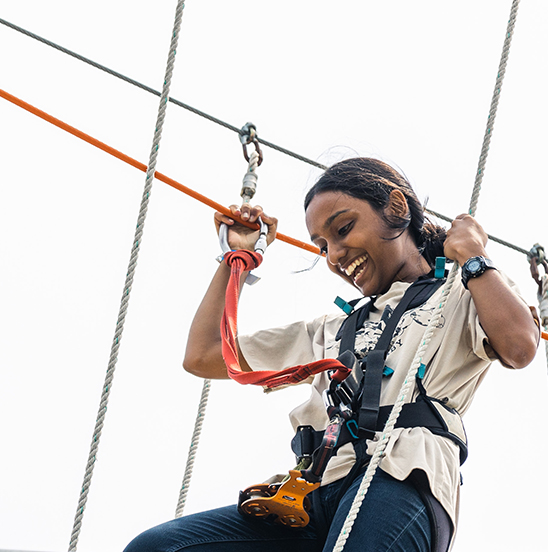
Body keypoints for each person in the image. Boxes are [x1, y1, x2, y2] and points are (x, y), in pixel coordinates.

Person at [124, 157, 539, 552]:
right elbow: (205, 355)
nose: (335, 255)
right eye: (322, 246)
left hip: (401, 475)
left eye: (343, 229)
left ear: (396, 206)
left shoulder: (463, 294)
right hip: (315, 492)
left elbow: (519, 346)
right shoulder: (333, 329)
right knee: (159, 547)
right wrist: (237, 258)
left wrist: (472, 257)